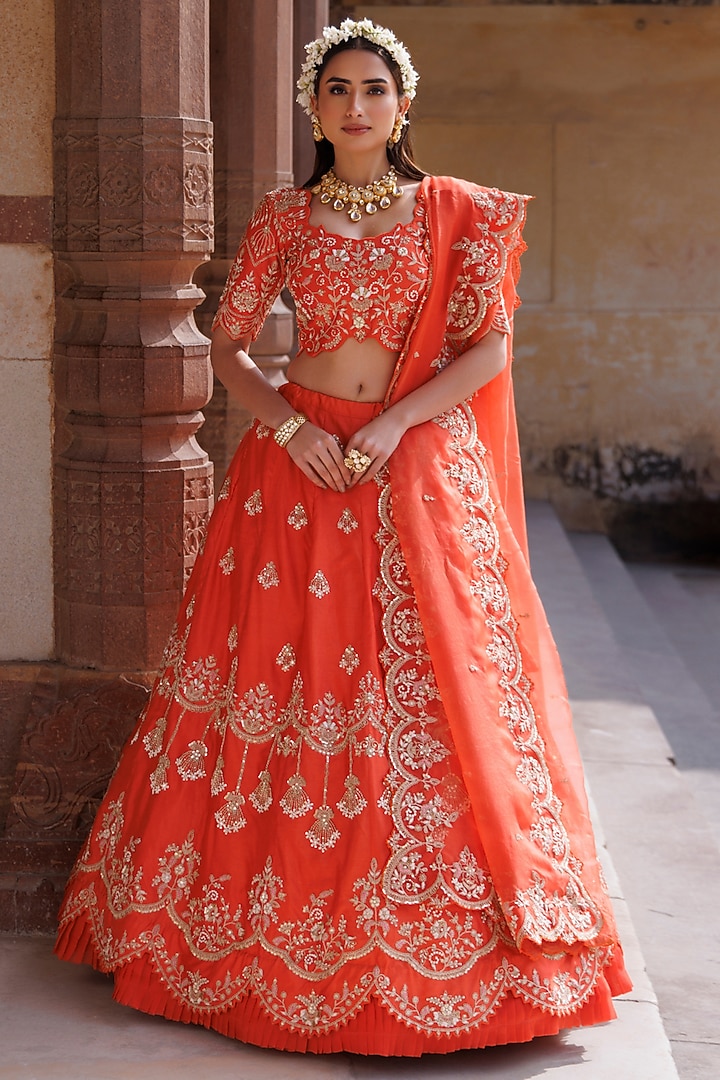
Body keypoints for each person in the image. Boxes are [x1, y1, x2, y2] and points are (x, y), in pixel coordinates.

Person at [55, 18, 632, 1056]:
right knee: (290, 683)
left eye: (373, 89)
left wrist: (399, 424)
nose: (355, 106)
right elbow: (227, 344)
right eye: (337, 91)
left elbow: (488, 348)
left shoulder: (455, 213)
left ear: (401, 105)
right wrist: (284, 427)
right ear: (313, 111)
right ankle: (243, 944)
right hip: (298, 469)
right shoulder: (286, 216)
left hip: (410, 463)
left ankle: (462, 961)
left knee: (426, 686)